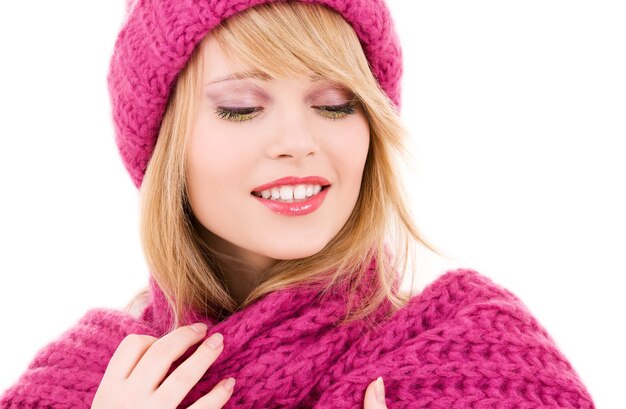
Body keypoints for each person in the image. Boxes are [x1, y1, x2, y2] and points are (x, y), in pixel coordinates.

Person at [0, 0, 595, 408]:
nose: (298, 143)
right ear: (165, 147)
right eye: (240, 107)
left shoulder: (477, 359)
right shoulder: (86, 384)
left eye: (335, 103)